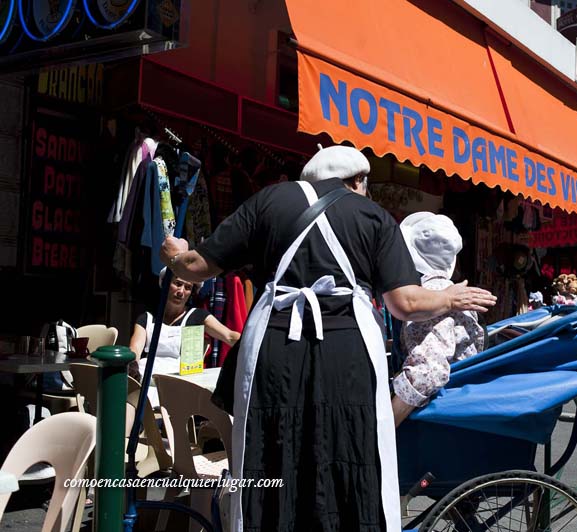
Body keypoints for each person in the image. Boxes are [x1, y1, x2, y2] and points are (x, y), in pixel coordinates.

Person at [160, 145, 496, 532]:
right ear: (356, 181)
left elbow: (196, 267)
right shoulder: (371, 214)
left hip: (273, 347)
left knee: (270, 449)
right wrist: (450, 296)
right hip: (347, 352)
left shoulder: (269, 199)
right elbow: (406, 303)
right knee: (348, 447)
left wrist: (175, 255)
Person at [391, 212, 484, 426]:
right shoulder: (451, 291)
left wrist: (385, 427)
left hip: (434, 416)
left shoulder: (430, 295)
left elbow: (428, 372)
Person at [128, 269, 241, 405]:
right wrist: (132, 367)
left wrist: (256, 344)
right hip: (146, 378)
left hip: (178, 383)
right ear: (165, 284)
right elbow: (135, 348)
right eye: (177, 284)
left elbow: (229, 336)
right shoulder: (147, 318)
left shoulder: (197, 316)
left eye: (187, 287)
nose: (181, 291)